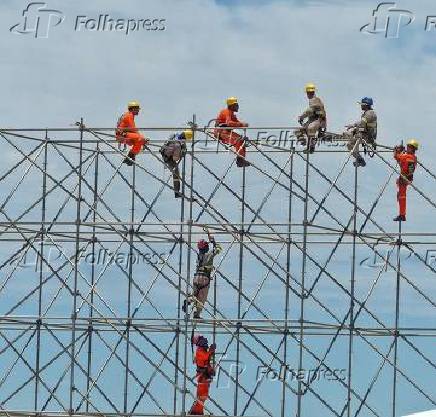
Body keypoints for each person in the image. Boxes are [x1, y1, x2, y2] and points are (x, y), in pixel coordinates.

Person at [182, 235, 222, 319]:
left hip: (196, 277)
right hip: (204, 279)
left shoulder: (199, 256)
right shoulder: (208, 254)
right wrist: (214, 242)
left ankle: (189, 300)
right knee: (202, 298)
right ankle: (197, 314)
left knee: (195, 294)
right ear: (206, 248)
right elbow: (218, 249)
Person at [215, 97, 250, 167]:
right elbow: (229, 123)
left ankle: (241, 159)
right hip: (221, 132)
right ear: (231, 106)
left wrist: (242, 125)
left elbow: (236, 122)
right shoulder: (226, 112)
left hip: (226, 132)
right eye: (236, 105)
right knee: (238, 140)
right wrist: (242, 124)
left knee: (241, 140)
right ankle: (240, 160)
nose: (238, 106)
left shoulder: (232, 114)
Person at [345, 97, 377, 167]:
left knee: (350, 144)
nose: (361, 106)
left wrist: (355, 131)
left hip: (367, 136)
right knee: (348, 135)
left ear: (366, 105)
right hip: (367, 135)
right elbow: (361, 123)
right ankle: (359, 159)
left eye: (362, 104)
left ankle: (359, 160)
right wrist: (353, 125)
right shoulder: (369, 113)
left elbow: (362, 127)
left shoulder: (369, 114)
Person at [160, 129, 192, 198]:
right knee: (176, 174)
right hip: (169, 158)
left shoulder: (175, 136)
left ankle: (177, 192)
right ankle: (177, 192)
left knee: (176, 173)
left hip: (165, 152)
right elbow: (175, 158)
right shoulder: (178, 145)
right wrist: (181, 154)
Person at [189, 334, 216, 416]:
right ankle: (196, 411)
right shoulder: (199, 351)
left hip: (205, 376)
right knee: (202, 395)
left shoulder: (202, 350)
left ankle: (198, 411)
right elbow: (205, 358)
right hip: (202, 376)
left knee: (204, 395)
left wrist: (211, 370)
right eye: (202, 339)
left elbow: (207, 362)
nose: (205, 341)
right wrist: (211, 350)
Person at [115, 101, 149, 165]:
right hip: (122, 135)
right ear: (133, 109)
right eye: (137, 109)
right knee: (140, 139)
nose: (138, 111)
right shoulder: (129, 115)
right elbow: (133, 129)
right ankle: (130, 157)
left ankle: (130, 157)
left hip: (123, 135)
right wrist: (143, 139)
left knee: (139, 140)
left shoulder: (128, 115)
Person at [297, 83, 327, 154]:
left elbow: (310, 111)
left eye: (308, 93)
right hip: (313, 120)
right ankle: (306, 144)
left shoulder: (314, 100)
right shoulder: (315, 100)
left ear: (309, 93)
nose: (308, 94)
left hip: (317, 120)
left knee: (310, 130)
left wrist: (301, 117)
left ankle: (311, 146)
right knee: (298, 131)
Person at [393, 139, 418, 222]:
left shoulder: (407, 157)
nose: (407, 148)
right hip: (406, 178)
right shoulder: (413, 157)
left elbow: (397, 157)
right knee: (401, 196)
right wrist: (401, 151)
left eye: (409, 147)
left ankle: (402, 215)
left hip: (404, 179)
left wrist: (396, 150)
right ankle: (402, 214)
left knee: (402, 197)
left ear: (412, 148)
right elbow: (402, 162)